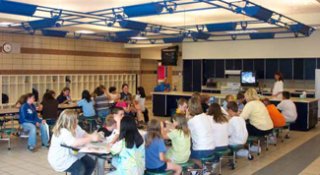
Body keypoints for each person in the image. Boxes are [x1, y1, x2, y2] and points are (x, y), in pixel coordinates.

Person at [48, 110, 101, 175]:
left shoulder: (75, 126)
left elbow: (84, 134)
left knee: (91, 164)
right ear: (70, 121)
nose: (78, 121)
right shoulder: (63, 131)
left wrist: (94, 136)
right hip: (60, 158)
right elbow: (74, 143)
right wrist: (91, 138)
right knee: (79, 168)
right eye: (75, 119)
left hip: (72, 153)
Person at [187, 97, 215, 168]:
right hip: (211, 148)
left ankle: (203, 168)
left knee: (185, 156)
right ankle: (203, 168)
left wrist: (186, 117)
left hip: (201, 151)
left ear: (189, 108)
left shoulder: (191, 121)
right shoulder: (206, 116)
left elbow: (185, 133)